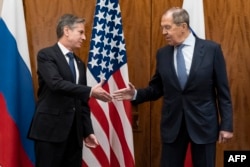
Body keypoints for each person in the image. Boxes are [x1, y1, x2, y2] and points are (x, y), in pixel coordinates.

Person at [113, 7, 233, 167]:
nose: (163, 32)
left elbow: (223, 92)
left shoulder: (211, 50)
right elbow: (156, 89)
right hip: (173, 126)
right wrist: (135, 94)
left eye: (167, 27)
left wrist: (226, 126)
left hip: (203, 124)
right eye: (162, 27)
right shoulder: (163, 54)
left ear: (183, 26)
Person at [28, 14, 112, 167]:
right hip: (50, 132)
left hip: (74, 134)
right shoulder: (46, 55)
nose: (84, 37)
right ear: (66, 30)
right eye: (80, 32)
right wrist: (91, 91)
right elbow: (56, 84)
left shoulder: (79, 63)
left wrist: (87, 131)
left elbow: (82, 101)